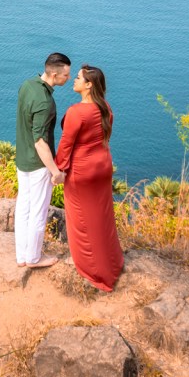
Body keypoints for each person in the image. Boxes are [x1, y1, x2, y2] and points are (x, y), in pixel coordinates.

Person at [55, 63, 124, 291]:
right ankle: (113, 263)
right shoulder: (105, 108)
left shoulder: (77, 112)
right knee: (102, 219)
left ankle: (96, 271)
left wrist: (59, 170)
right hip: (102, 168)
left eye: (78, 77)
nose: (73, 80)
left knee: (83, 222)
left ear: (88, 84)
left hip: (82, 172)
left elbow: (66, 145)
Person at [15, 52, 71, 268]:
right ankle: (34, 258)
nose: (69, 77)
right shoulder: (45, 102)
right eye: (66, 74)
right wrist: (55, 171)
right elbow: (40, 140)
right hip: (38, 164)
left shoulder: (27, 85)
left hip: (22, 158)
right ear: (55, 73)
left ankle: (22, 256)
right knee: (38, 211)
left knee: (24, 207)